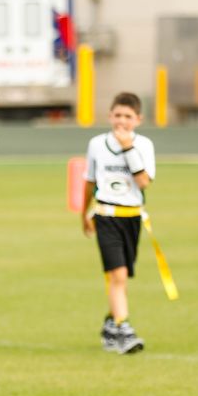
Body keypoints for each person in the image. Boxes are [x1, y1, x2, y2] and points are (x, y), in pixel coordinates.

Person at [80, 92, 155, 355]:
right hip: (106, 215)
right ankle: (124, 328)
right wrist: (84, 213)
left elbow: (144, 181)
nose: (122, 121)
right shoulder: (97, 144)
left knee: (123, 275)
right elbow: (89, 181)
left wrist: (127, 148)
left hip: (132, 216)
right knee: (118, 275)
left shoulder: (143, 145)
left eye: (128, 116)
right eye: (118, 115)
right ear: (110, 115)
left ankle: (111, 324)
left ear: (138, 119)